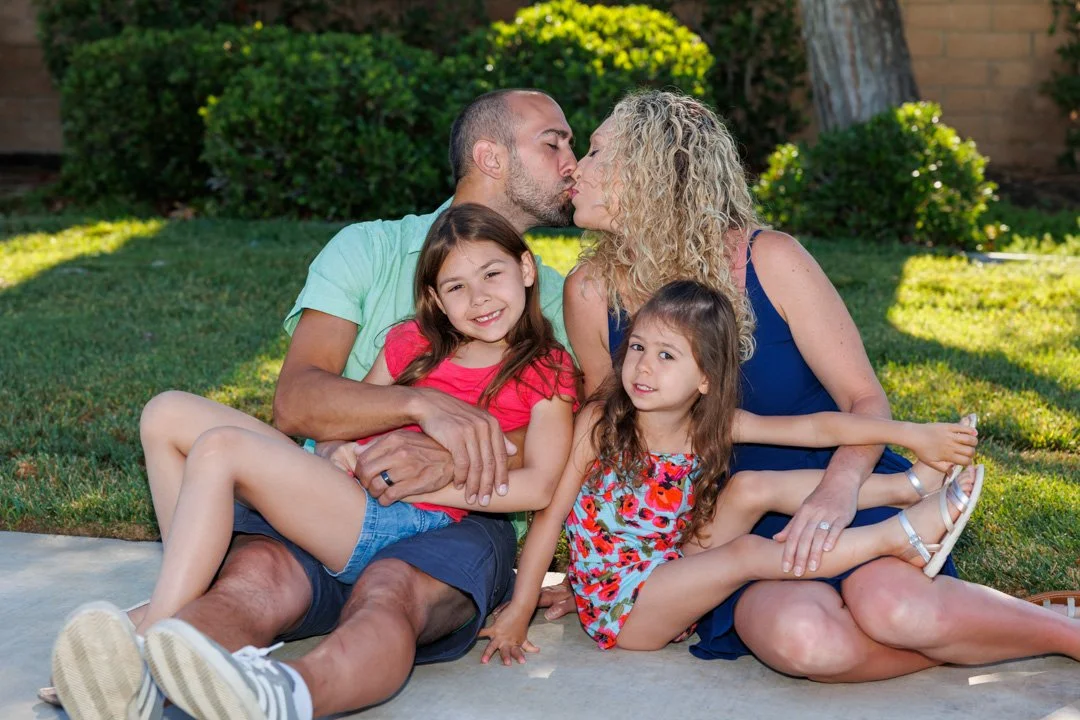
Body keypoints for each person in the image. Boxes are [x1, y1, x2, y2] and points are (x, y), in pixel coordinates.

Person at [45, 88, 579, 720]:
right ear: (490, 156)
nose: (572, 160)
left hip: (460, 522)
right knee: (213, 499)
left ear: (521, 271)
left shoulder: (557, 308)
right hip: (340, 495)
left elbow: (575, 450)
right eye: (555, 142)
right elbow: (298, 402)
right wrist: (405, 415)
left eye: (572, 145)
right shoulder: (373, 255)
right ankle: (157, 649)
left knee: (389, 593)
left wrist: (450, 460)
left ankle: (268, 686)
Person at [552, 89, 1080, 679]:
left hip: (829, 481)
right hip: (717, 533)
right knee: (806, 641)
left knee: (895, 608)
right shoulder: (591, 291)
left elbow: (863, 398)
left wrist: (839, 490)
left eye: (597, 152)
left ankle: (1064, 633)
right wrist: (597, 575)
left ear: (654, 170)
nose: (576, 168)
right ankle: (970, 636)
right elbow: (609, 449)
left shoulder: (770, 258)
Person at [480, 280, 984, 661]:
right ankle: (897, 539)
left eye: (666, 355)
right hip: (625, 611)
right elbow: (549, 517)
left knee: (749, 487)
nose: (643, 367)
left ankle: (907, 486)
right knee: (746, 553)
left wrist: (910, 434)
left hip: (672, 566)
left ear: (704, 378)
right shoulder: (601, 423)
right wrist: (520, 610)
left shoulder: (711, 427)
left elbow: (815, 429)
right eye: (637, 347)